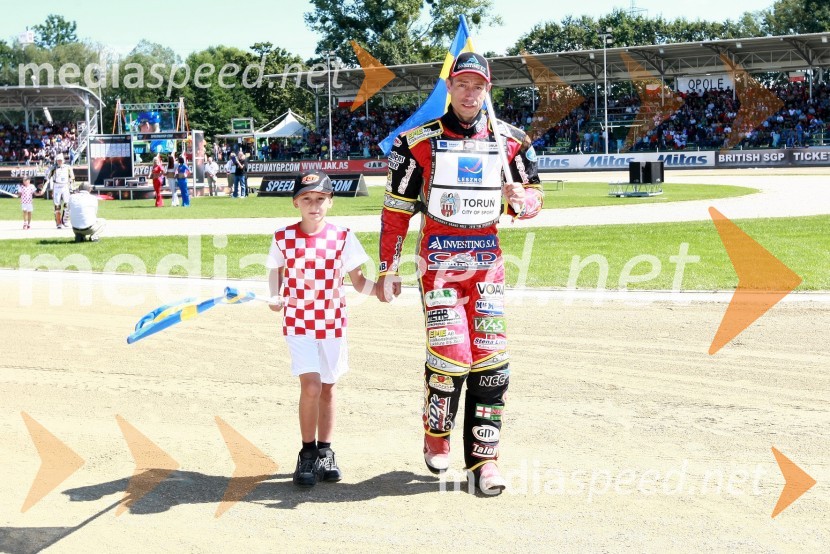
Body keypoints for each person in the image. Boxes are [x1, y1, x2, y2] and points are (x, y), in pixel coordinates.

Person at [376, 52, 543, 495]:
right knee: (451, 356)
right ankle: (436, 433)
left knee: (492, 364)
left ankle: (484, 463)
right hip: (439, 266)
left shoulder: (512, 142)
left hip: (487, 267)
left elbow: (532, 201)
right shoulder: (415, 143)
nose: (470, 94)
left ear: (488, 90)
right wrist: (387, 268)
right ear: (449, 87)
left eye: (479, 86)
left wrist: (518, 199)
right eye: (462, 85)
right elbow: (395, 213)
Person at [266, 170, 377, 488]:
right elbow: (276, 270)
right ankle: (307, 452)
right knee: (311, 386)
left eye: (320, 199)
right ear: (295, 203)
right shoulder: (283, 237)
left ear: (330, 202)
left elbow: (358, 282)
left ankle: (326, 451)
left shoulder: (342, 236)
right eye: (306, 199)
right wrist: (275, 294)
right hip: (299, 323)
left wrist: (381, 290)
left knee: (328, 387)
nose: (313, 205)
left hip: (332, 323)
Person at [46, 153, 75, 228]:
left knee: (67, 204)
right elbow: (47, 177)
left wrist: (72, 187)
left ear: (63, 160)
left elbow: (72, 177)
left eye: (61, 160)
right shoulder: (53, 168)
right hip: (57, 186)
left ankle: (65, 221)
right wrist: (44, 186)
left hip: (65, 186)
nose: (59, 162)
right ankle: (58, 223)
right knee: (57, 205)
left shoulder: (68, 167)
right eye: (58, 160)